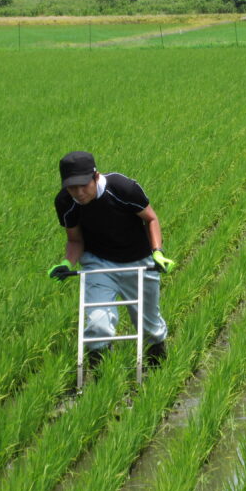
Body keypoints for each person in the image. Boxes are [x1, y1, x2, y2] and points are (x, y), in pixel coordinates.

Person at [47, 151, 175, 368]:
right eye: (71, 187)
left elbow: (151, 219)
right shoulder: (65, 202)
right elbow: (75, 241)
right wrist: (67, 263)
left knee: (150, 326)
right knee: (98, 326)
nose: (78, 193)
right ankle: (101, 375)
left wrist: (158, 252)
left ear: (95, 176)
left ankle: (157, 367)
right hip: (99, 264)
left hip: (139, 262)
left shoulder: (122, 188)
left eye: (82, 185)